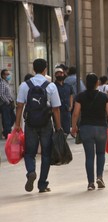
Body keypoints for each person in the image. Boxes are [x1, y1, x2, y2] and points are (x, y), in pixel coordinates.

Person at [14, 58, 62, 193]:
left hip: (30, 124)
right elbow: (56, 109)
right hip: (46, 123)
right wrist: (58, 127)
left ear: (33, 69)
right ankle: (42, 184)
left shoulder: (24, 85)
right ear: (45, 69)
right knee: (46, 154)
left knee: (30, 152)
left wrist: (17, 124)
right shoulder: (50, 86)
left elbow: (19, 106)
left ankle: (31, 172)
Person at [71, 73, 108, 190]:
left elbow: (76, 113)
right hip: (101, 128)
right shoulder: (104, 97)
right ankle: (100, 177)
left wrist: (74, 127)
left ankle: (90, 182)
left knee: (89, 156)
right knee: (101, 154)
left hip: (86, 128)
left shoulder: (80, 96)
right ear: (97, 83)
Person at [54, 67, 74, 136]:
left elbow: (71, 94)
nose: (60, 75)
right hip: (58, 110)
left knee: (67, 130)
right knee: (58, 130)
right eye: (58, 73)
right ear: (55, 75)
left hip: (66, 110)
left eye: (61, 73)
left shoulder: (68, 86)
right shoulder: (53, 86)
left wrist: (71, 105)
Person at [0, 69, 16, 139]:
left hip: (9, 103)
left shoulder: (6, 82)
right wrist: (8, 102)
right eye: (7, 74)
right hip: (5, 104)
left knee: (13, 118)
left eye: (8, 74)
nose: (8, 76)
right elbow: (1, 94)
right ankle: (7, 134)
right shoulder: (2, 83)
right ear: (3, 75)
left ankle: (6, 132)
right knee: (7, 119)